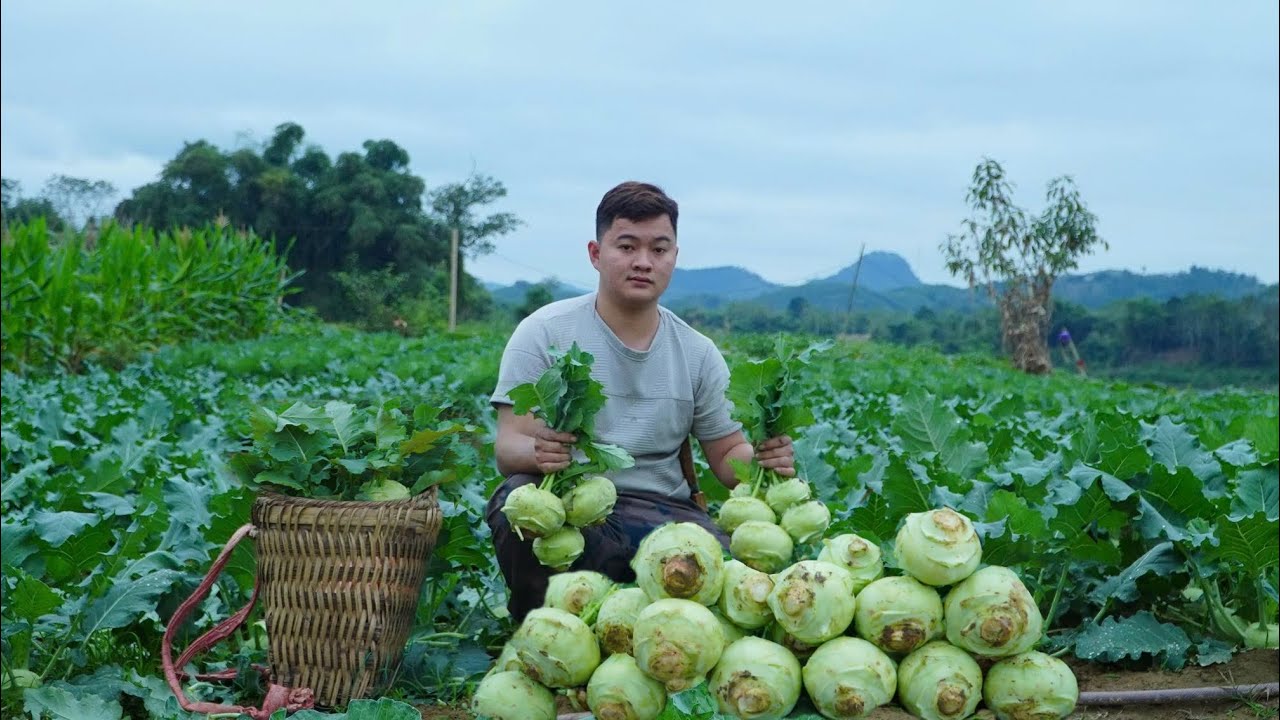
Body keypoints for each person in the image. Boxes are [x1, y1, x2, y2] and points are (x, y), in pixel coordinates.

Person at [485, 181, 795, 621]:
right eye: (626, 246)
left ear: (674, 257)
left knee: (736, 575)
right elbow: (507, 447)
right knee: (517, 498)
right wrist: (538, 452)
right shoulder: (545, 332)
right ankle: (543, 627)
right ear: (595, 253)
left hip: (665, 513)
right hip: (578, 503)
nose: (643, 262)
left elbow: (727, 454)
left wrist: (765, 459)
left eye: (659, 249)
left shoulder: (697, 351)